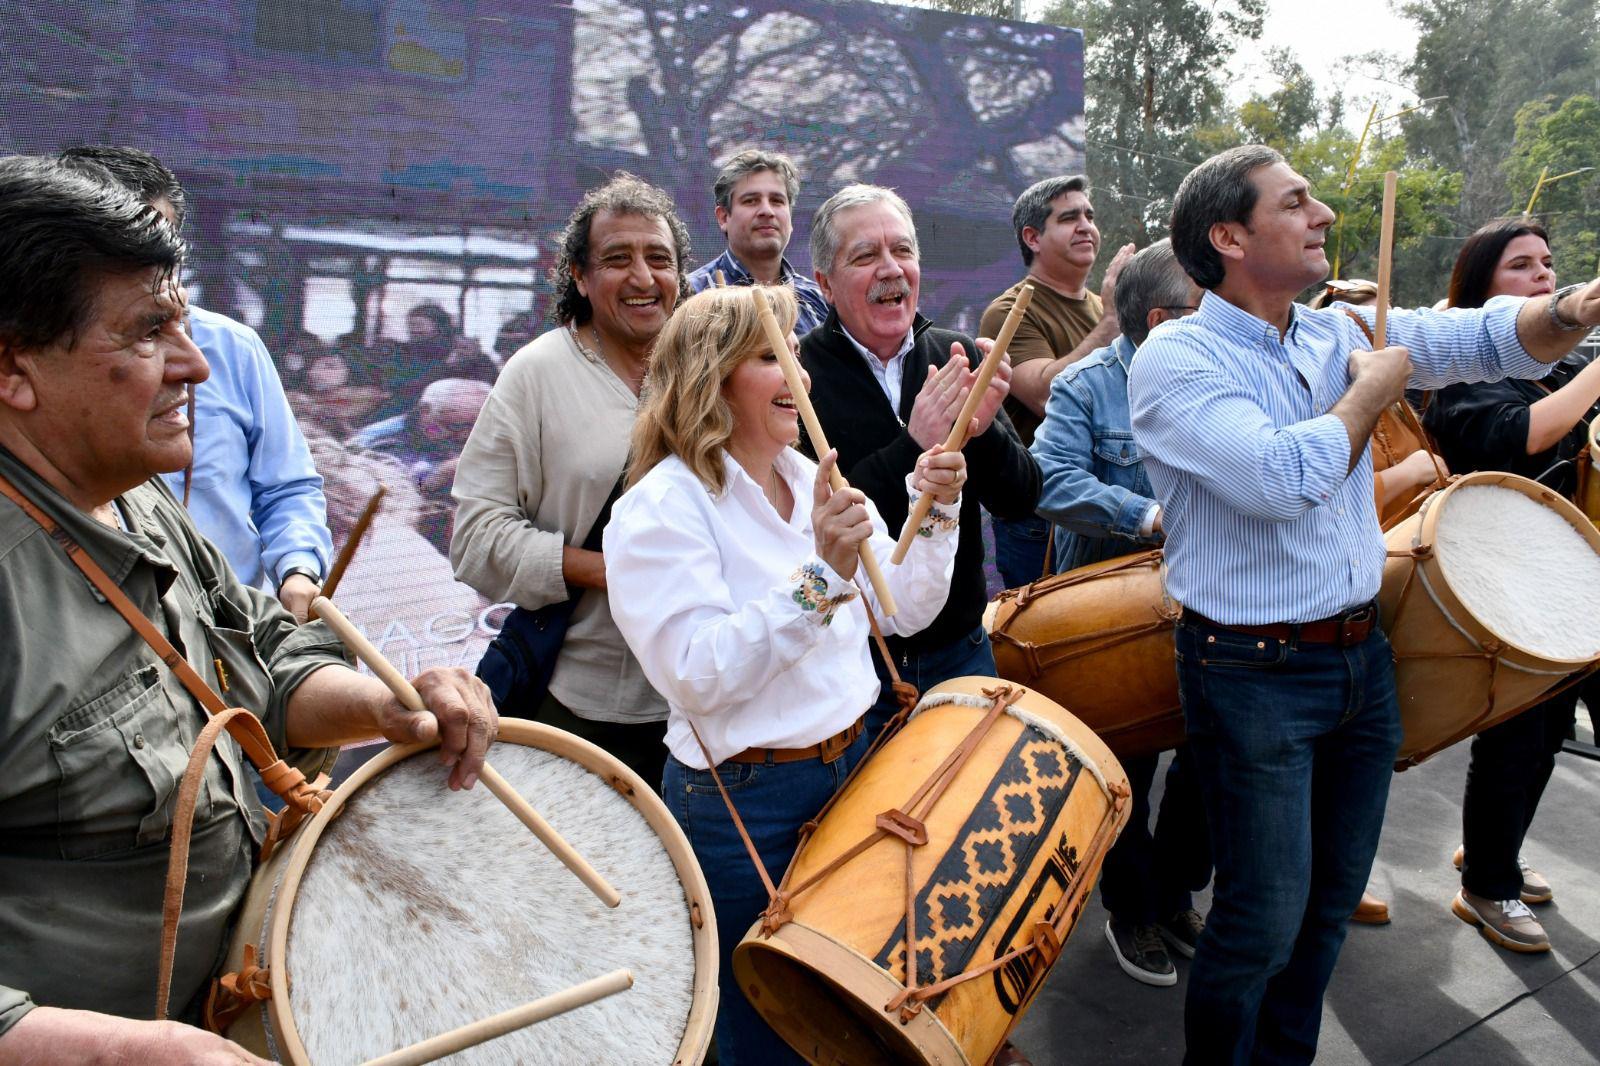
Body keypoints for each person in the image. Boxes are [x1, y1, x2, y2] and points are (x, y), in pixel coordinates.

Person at [0, 156, 497, 1063]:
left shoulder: (136, 497)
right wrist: (111, 1050)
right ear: (13, 367)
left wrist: (386, 707)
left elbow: (260, 658)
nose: (195, 365)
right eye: (148, 333)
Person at [1128, 144, 1591, 1065]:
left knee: (1329, 906)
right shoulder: (1176, 359)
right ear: (1228, 238)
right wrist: (1372, 392)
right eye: (1296, 202)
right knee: (1261, 920)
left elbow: (1492, 339)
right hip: (1250, 672)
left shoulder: (1335, 328)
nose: (1325, 216)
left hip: (1359, 659)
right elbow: (1279, 479)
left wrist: (1577, 308)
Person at [604, 284, 963, 1064]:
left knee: (855, 1013)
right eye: (771, 356)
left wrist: (934, 509)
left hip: (857, 767)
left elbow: (903, 608)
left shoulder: (808, 478)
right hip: (746, 802)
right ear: (712, 379)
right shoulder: (660, 507)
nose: (799, 374)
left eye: (797, 353)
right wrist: (821, 577)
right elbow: (697, 674)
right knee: (769, 1035)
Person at [450, 173, 683, 788]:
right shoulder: (538, 373)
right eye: (618, 259)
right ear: (579, 276)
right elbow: (475, 538)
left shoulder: (706, 374)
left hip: (698, 706)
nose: (643, 277)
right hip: (574, 704)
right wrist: (605, 571)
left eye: (659, 259)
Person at [1029, 239, 1212, 984]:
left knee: (1206, 766)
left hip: (1213, 609)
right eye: (1206, 305)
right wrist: (1148, 516)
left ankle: (1175, 896)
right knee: (1125, 770)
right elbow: (1049, 479)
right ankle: (1132, 910)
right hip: (1113, 620)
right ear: (1162, 320)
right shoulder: (1088, 386)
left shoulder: (1225, 375)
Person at [799, 184, 1040, 737]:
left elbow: (1022, 499)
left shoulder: (957, 353)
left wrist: (980, 433)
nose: (891, 269)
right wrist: (914, 446)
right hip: (857, 665)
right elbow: (810, 524)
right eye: (866, 255)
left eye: (902, 250)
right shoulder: (797, 375)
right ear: (825, 284)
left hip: (963, 650)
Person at [58, 146, 333, 623]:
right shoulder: (52, 359)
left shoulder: (232, 347)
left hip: (230, 625)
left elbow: (286, 487)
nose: (194, 368)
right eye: (123, 251)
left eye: (160, 244)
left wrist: (297, 570)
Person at [1424, 216, 1600, 953]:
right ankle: (1487, 884)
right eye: (1520, 265)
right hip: (1507, 572)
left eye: (1547, 263)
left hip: (1575, 568)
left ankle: (1493, 851)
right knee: (1521, 734)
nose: (1543, 276)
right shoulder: (1463, 369)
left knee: (1546, 734)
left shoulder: (1566, 364)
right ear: (1481, 287)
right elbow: (1519, 435)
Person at [1304, 277, 1446, 928]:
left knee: (1353, 777)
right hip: (1303, 612)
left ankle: (1336, 874)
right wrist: (1409, 475)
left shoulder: (1397, 400)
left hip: (1371, 600)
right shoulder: (1323, 392)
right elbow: (1307, 491)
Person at [980, 175, 1135, 586]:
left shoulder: (1103, 307)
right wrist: (1113, 322)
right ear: (1032, 237)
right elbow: (1046, 394)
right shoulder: (1008, 311)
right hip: (1041, 520)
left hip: (1106, 509)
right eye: (1069, 218)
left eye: (1089, 216)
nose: (1086, 226)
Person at [686, 148, 830, 337]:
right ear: (723, 217)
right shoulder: (691, 296)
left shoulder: (819, 301)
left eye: (777, 201)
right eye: (751, 201)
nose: (767, 211)